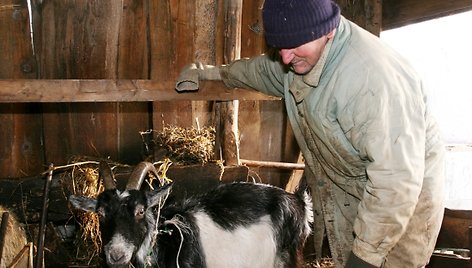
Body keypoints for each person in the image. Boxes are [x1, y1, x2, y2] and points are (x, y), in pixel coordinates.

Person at [176, 0, 446, 267]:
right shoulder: (303, 54)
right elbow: (262, 70)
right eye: (279, 46)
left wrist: (364, 258)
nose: (285, 57)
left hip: (402, 196)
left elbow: (395, 182)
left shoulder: (371, 83)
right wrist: (210, 74)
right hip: (355, 181)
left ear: (328, 30)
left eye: (293, 46)